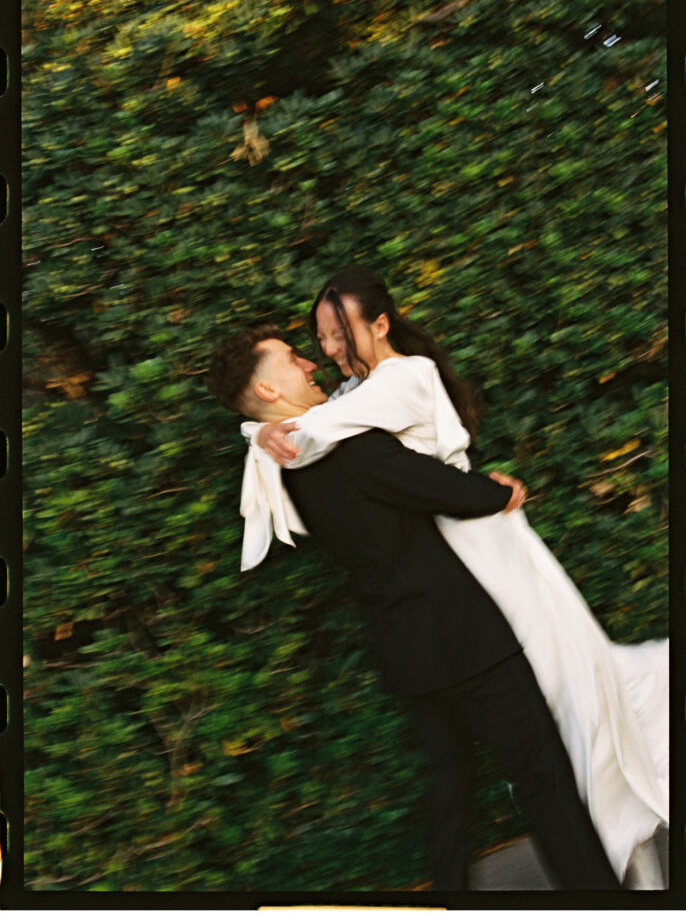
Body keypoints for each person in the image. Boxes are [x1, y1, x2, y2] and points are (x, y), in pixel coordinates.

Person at [247, 267, 668, 890]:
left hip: (436, 610)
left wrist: (262, 434)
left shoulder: (337, 425)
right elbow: (418, 477)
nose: (319, 356)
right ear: (267, 386)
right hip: (462, 609)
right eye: (307, 346)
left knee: (467, 774)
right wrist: (488, 494)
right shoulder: (339, 431)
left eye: (334, 336)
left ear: (380, 326)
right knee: (540, 760)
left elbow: (325, 430)